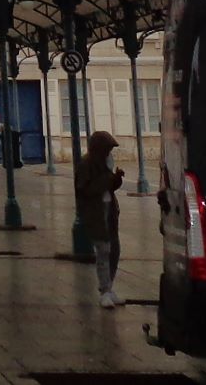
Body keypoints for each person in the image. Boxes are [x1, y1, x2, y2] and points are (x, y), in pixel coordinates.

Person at [75, 128, 124, 309]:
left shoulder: (104, 166)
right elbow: (86, 189)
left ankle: (109, 287)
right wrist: (107, 180)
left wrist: (116, 179)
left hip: (109, 209)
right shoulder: (86, 165)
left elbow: (109, 187)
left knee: (115, 250)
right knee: (103, 250)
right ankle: (104, 290)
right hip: (95, 213)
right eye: (107, 149)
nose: (109, 154)